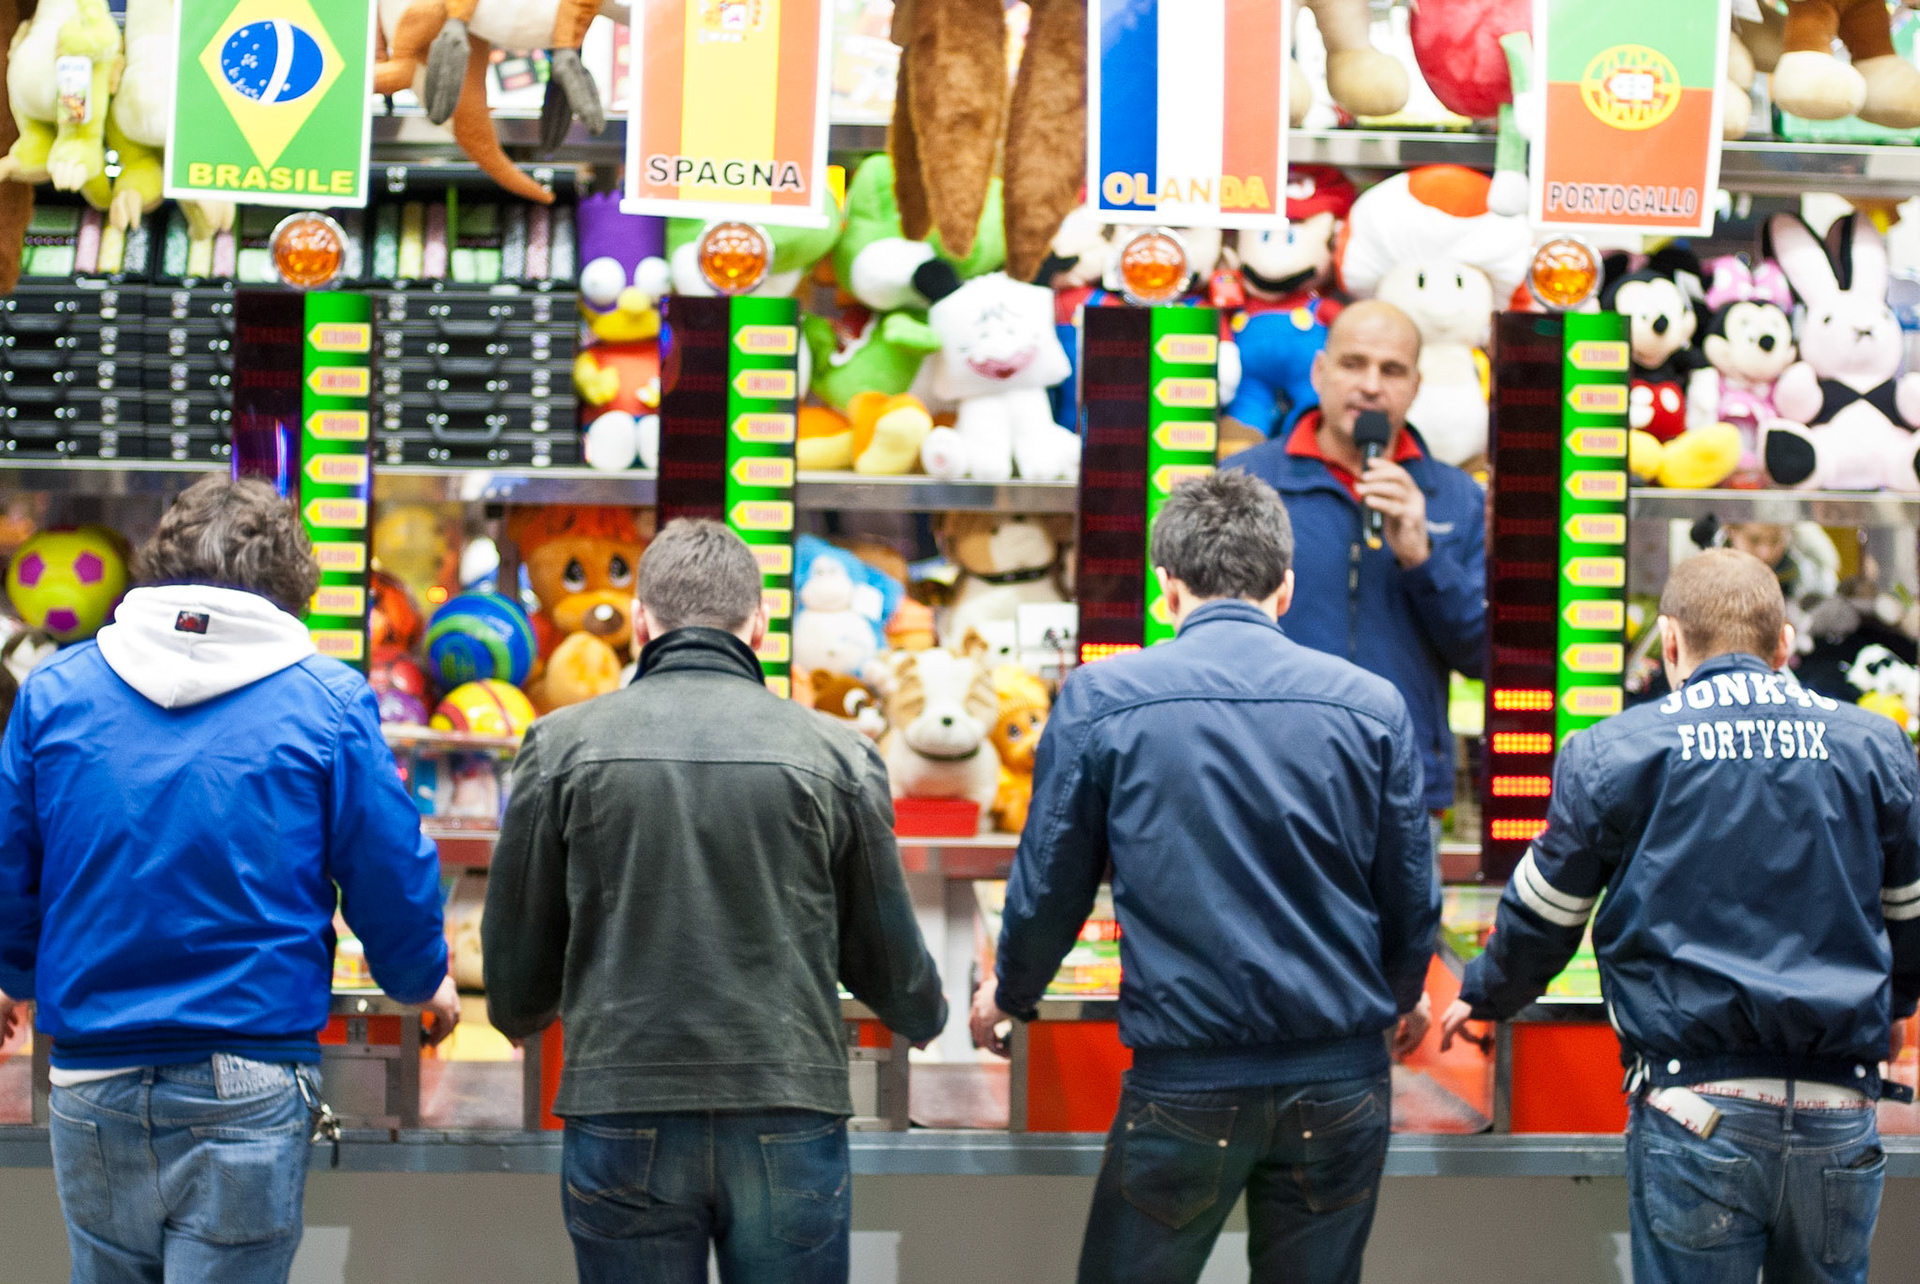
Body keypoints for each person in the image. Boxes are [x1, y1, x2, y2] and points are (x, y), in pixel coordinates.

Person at [971, 471, 1440, 1284]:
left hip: (1186, 1081)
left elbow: (1053, 881)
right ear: (1286, 589)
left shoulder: (1103, 701)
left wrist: (1011, 992)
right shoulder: (1373, 706)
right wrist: (1402, 993)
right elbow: (1407, 888)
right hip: (1341, 1082)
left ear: (1165, 588)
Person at [0, 475, 457, 1284]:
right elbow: (389, 870)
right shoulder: (327, 702)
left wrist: (14, 975)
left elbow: (11, 867)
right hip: (247, 1078)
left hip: (91, 1076)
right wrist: (424, 982)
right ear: (290, 589)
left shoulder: (54, 694)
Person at [484, 518, 946, 1284]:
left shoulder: (560, 745)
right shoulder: (836, 753)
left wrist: (519, 1012)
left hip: (621, 1101)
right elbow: (884, 952)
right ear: (759, 625)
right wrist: (923, 1013)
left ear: (640, 622)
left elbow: (518, 961)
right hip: (788, 1105)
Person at [1440, 548, 1920, 1284]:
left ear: (1670, 642)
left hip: (1695, 1112)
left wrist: (1485, 992)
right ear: (1783, 645)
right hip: (1840, 1109)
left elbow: (1547, 910)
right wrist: (1895, 1006)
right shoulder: (1876, 746)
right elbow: (1910, 913)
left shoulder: (1615, 752)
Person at [1225, 300, 1486, 859]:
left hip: (1401, 791)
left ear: (1415, 386)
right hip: (1262, 783)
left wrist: (1422, 557)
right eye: (1353, 364)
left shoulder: (1456, 498)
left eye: (1391, 371)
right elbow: (1203, 637)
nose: (1371, 385)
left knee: (1400, 950)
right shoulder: (1246, 484)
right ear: (1319, 372)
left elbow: (1482, 656)